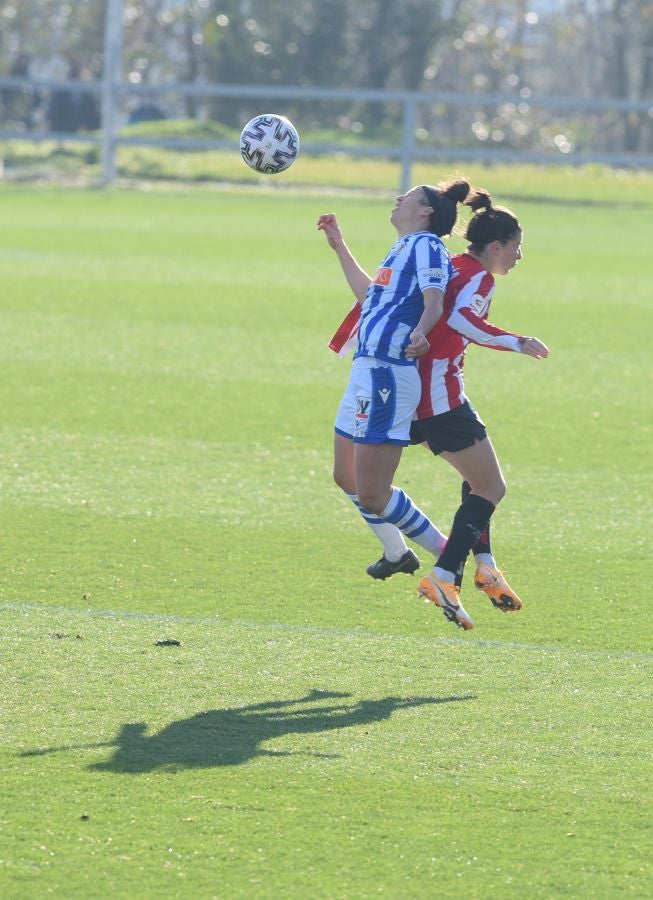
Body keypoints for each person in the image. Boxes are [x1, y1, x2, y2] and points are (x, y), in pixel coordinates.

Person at [317, 179, 472, 585]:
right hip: (366, 371)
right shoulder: (403, 247)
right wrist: (339, 245)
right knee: (345, 476)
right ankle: (396, 552)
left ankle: (446, 553)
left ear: (425, 213)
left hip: (387, 374)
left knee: (371, 492)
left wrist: (421, 332)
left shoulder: (427, 246)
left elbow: (434, 300)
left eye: (410, 197)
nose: (399, 199)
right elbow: (371, 297)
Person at [411, 189, 549, 629]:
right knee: (492, 487)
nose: (519, 256)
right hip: (438, 396)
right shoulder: (479, 277)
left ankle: (484, 564)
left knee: (479, 479)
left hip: (423, 389)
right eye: (516, 247)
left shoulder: (454, 264)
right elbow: (461, 322)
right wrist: (518, 341)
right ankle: (444, 574)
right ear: (496, 245)